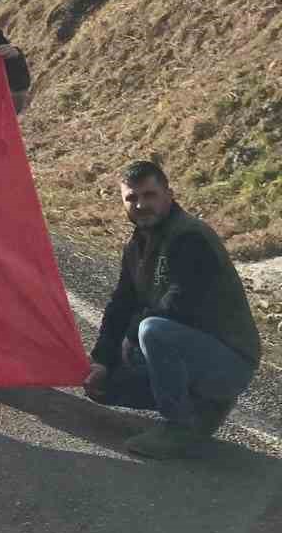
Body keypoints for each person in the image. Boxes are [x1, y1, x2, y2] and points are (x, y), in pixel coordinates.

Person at [83, 160, 261, 459]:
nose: (140, 204)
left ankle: (180, 426)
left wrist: (131, 334)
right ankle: (203, 407)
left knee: (151, 330)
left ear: (169, 194)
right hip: (188, 349)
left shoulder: (192, 237)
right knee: (106, 386)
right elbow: (121, 302)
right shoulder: (137, 245)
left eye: (149, 195)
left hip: (229, 359)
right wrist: (100, 359)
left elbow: (180, 302)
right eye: (132, 198)